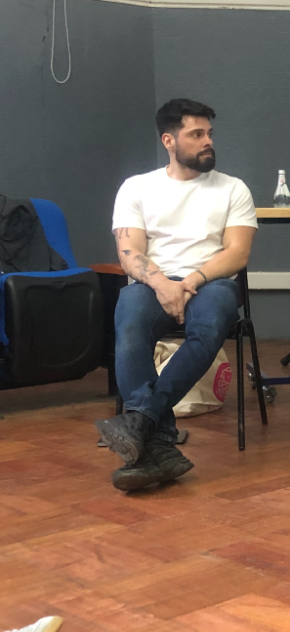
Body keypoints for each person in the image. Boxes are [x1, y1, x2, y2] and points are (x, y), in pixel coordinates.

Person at [95, 99, 257, 492]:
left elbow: (237, 252)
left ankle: (141, 419)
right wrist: (164, 285)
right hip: (154, 284)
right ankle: (160, 443)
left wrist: (192, 281)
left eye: (209, 134)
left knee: (213, 319)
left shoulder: (233, 188)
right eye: (196, 134)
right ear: (169, 140)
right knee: (129, 319)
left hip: (211, 283)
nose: (207, 142)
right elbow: (129, 252)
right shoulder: (137, 188)